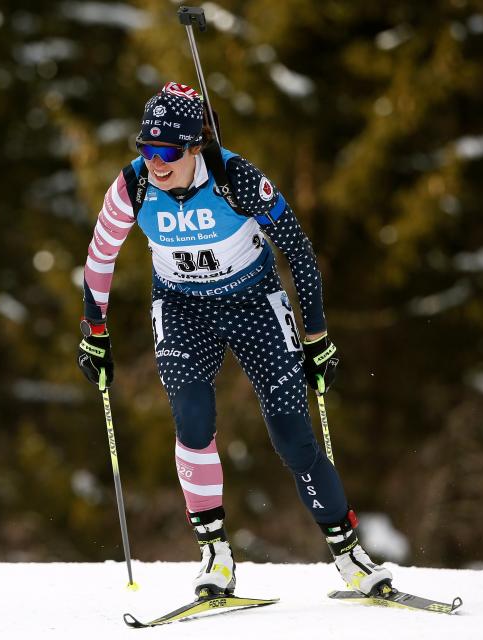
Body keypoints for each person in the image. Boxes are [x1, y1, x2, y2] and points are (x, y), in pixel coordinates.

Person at [75, 82, 393, 597]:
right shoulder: (132, 186)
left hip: (253, 302)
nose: (156, 163)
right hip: (181, 307)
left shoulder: (236, 178)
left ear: (195, 145)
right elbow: (99, 258)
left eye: (168, 152)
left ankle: (348, 554)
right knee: (193, 419)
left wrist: (318, 338)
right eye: (147, 149)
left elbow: (300, 253)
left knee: (292, 434)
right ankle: (215, 555)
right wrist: (95, 334)